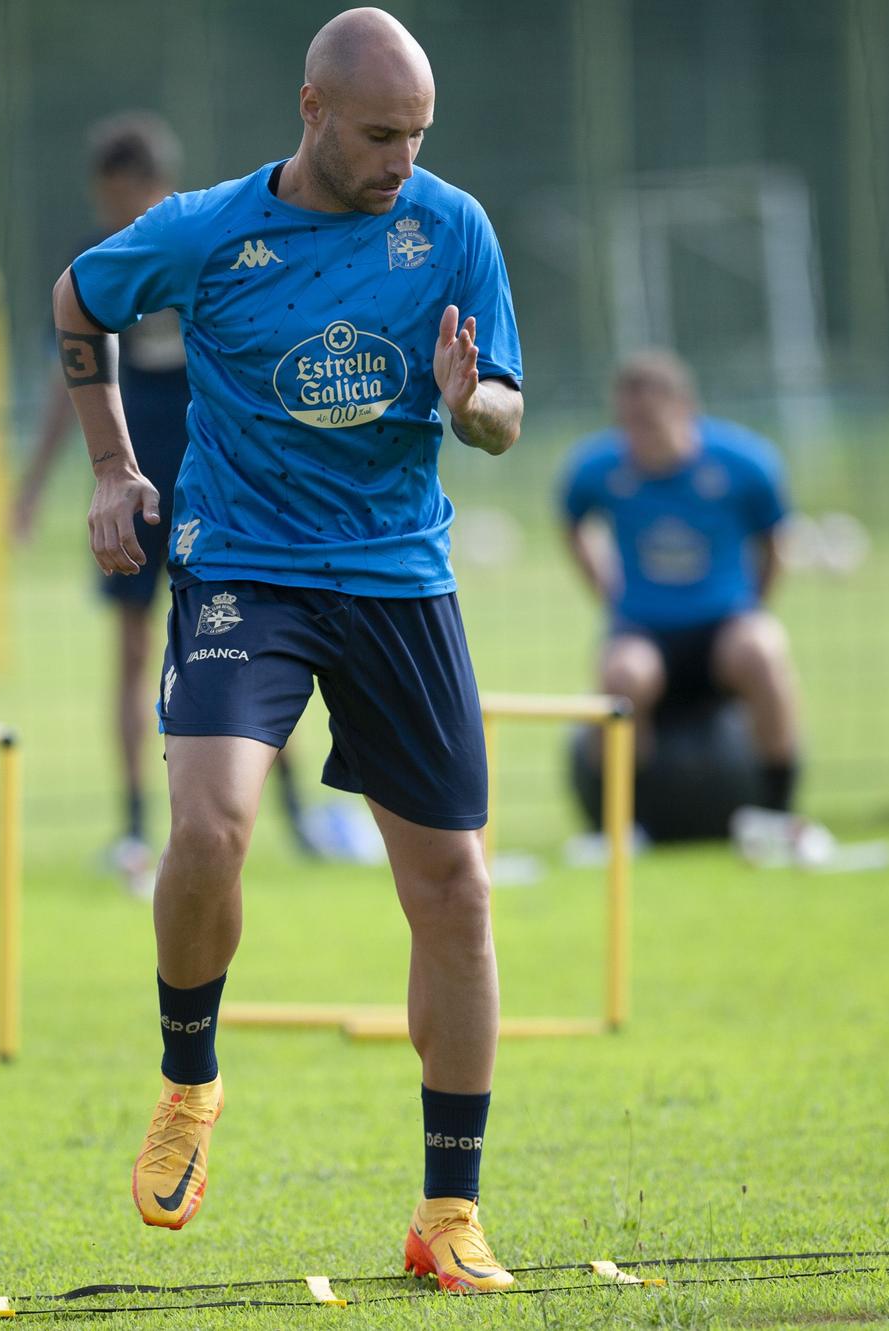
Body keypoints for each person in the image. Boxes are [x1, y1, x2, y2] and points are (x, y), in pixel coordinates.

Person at [52, 7, 523, 1292]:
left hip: (393, 576)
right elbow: (78, 296)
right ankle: (189, 1081)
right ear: (310, 110)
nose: (399, 160)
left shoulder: (450, 227)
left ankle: (447, 1210)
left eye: (417, 135)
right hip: (241, 567)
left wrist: (464, 404)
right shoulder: (211, 228)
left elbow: (504, 410)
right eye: (378, 135)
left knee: (456, 894)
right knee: (206, 827)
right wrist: (110, 465)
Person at [14, 114, 358, 894]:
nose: (115, 217)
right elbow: (62, 379)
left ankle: (302, 815)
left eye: (125, 200)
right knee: (134, 651)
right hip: (134, 462)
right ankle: (134, 828)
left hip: (216, 466)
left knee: (251, 645)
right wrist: (34, 487)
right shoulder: (105, 266)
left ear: (156, 190)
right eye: (106, 202)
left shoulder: (211, 242)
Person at [557, 350, 802, 810]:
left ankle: (777, 813)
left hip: (722, 625)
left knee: (763, 649)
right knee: (621, 673)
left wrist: (753, 602)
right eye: (626, 422)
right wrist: (606, 587)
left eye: (648, 420)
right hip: (645, 629)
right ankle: (621, 826)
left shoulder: (745, 464)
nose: (636, 435)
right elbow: (572, 522)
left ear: (683, 408)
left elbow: (776, 538)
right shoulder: (599, 468)